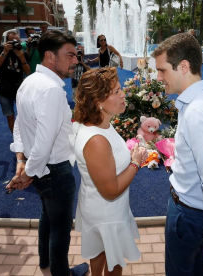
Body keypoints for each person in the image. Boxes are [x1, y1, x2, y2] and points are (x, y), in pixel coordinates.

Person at [152, 33, 203, 276]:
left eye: (162, 70)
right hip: (194, 212)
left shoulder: (197, 111)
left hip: (188, 214)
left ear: (184, 67)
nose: (158, 78)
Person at [7, 30, 89, 276]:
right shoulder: (51, 90)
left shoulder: (29, 81)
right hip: (54, 170)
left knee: (47, 216)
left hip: (40, 167)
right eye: (70, 55)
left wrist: (22, 161)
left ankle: (45, 262)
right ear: (50, 56)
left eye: (76, 55)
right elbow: (44, 142)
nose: (76, 61)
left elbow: (19, 126)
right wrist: (28, 172)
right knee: (60, 229)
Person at [73, 68, 147, 276]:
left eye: (120, 88)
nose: (123, 94)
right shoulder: (97, 140)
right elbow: (111, 191)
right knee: (114, 263)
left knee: (101, 253)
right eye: (116, 91)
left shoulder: (101, 125)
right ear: (98, 102)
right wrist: (135, 162)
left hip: (101, 207)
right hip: (106, 211)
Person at [0, 31, 30, 133]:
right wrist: (5, 52)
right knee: (10, 116)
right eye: (12, 41)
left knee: (25, 115)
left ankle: (26, 137)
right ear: (6, 42)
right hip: (4, 88)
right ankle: (16, 139)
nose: (15, 43)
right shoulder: (1, 49)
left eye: (17, 41)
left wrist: (22, 58)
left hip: (19, 88)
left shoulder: (22, 52)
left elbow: (27, 71)